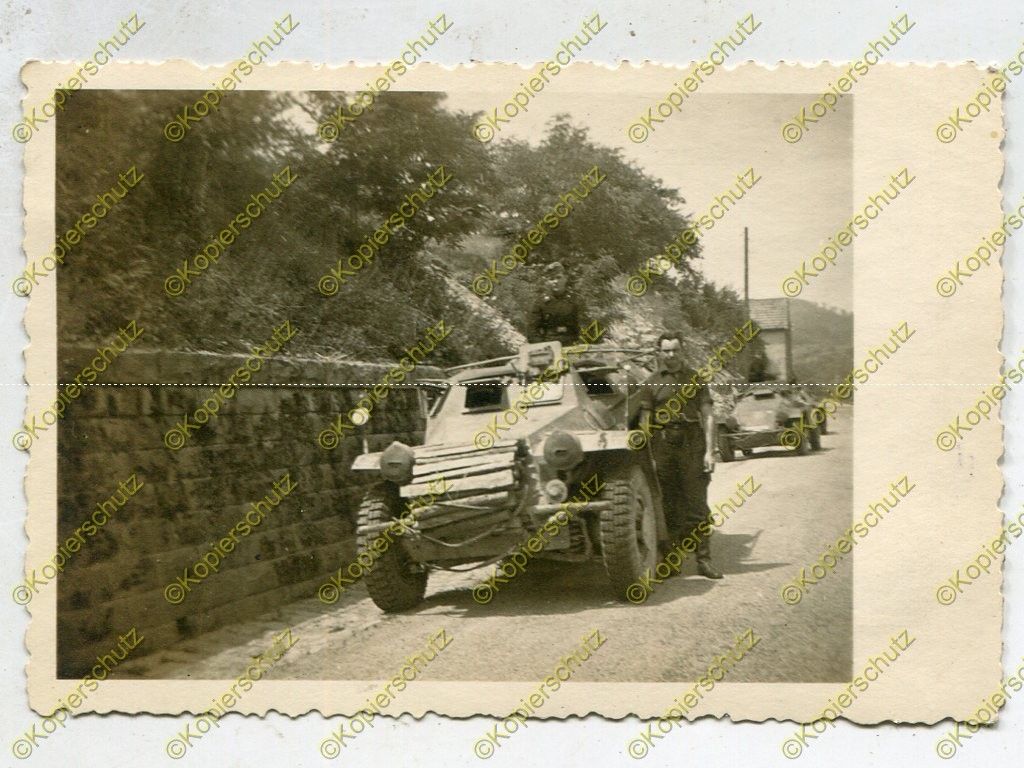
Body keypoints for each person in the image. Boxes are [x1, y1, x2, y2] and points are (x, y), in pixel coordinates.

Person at [638, 332, 723, 579]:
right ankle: (671, 561)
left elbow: (707, 415)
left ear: (682, 351)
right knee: (669, 505)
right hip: (664, 445)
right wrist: (648, 454)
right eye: (666, 351)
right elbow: (645, 420)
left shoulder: (695, 379)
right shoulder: (651, 383)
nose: (671, 355)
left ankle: (704, 561)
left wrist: (710, 450)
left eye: (675, 350)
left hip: (692, 443)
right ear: (659, 353)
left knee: (697, 504)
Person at [526, 262, 584, 346]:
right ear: (547, 281)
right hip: (550, 347)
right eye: (551, 278)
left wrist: (581, 343)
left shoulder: (576, 300)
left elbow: (585, 324)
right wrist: (543, 347)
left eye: (558, 277)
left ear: (565, 278)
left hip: (573, 345)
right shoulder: (541, 302)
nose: (555, 281)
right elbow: (532, 331)